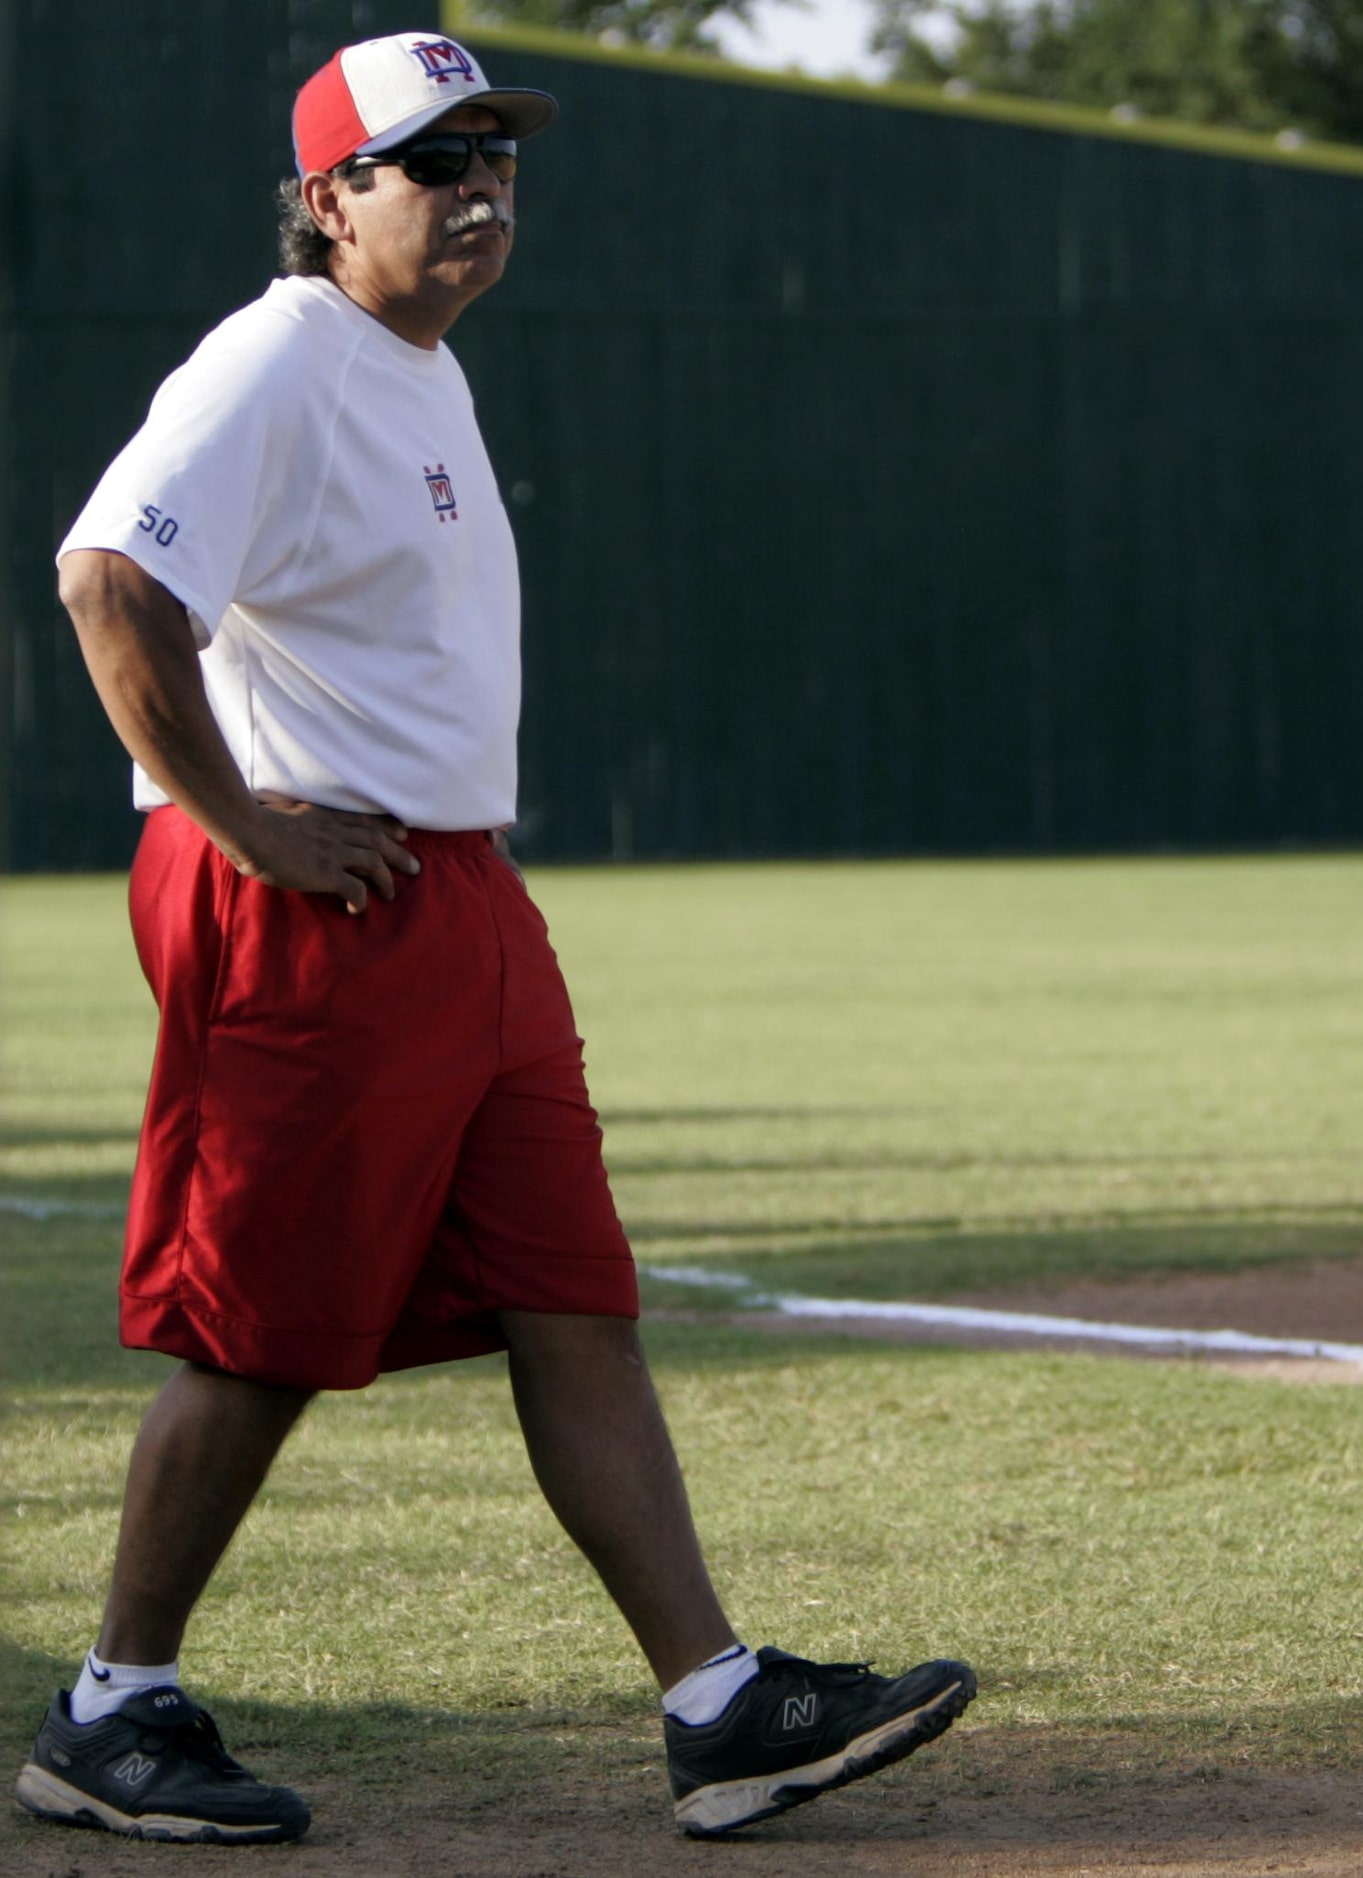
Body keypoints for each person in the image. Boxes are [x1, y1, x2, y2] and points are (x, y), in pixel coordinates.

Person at [13, 31, 973, 1847]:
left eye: (495, 157)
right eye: (427, 161)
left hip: (453, 893)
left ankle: (716, 1702)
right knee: (261, 1325)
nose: (478, 189)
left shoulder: (412, 363)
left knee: (572, 1291)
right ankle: (110, 1706)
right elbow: (105, 575)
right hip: (311, 900)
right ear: (322, 202)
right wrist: (244, 823)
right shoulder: (278, 353)